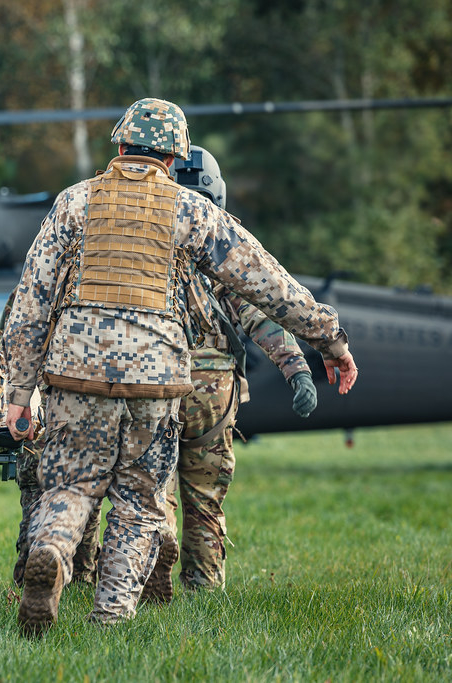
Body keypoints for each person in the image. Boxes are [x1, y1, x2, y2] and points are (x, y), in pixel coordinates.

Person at [1, 97, 358, 636]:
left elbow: (31, 300)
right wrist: (328, 338)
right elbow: (266, 281)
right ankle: (109, 622)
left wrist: (17, 391)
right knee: (140, 501)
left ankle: (50, 548)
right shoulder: (191, 210)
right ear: (174, 158)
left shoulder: (74, 203)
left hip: (75, 372)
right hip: (156, 376)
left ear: (119, 146)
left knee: (69, 486)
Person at [141, 145, 319, 604]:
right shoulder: (224, 244)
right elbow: (260, 311)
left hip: (152, 381)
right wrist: (296, 368)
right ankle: (202, 588)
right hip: (212, 392)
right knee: (205, 496)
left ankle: (147, 568)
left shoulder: (142, 239)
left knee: (150, 489)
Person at [0, 290, 102, 588]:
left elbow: (6, 351)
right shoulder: (97, 284)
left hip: (39, 422)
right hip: (88, 416)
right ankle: (80, 577)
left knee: (35, 499)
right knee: (85, 497)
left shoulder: (30, 290)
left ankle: (33, 570)